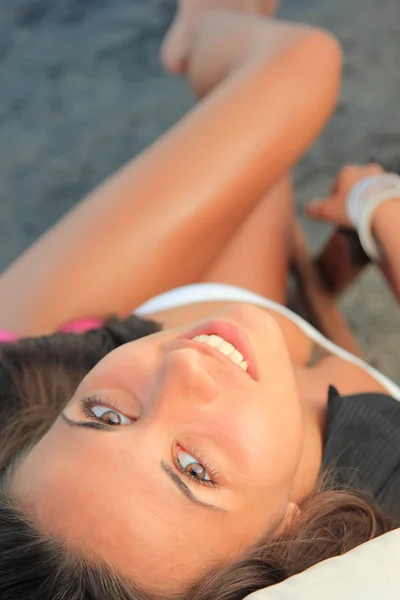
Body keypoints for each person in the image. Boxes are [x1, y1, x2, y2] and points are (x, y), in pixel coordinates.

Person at [0, 1, 399, 599]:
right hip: (242, 306)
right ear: (284, 537)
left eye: (105, 415)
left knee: (298, 68)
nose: (183, 368)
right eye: (194, 471)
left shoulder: (49, 393)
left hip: (67, 320)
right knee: (274, 119)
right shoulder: (384, 491)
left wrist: (378, 205)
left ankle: (201, 28)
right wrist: (379, 207)